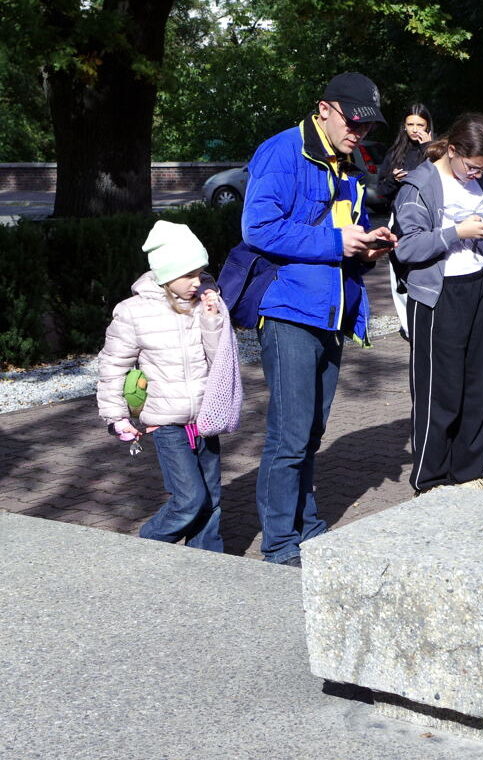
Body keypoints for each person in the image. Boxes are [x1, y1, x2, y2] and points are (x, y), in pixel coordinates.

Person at [242, 72, 395, 567]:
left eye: (367, 127)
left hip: (332, 311)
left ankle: (307, 528)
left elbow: (349, 227)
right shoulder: (282, 151)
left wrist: (368, 244)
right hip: (289, 311)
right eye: (354, 122)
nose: (359, 133)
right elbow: (258, 228)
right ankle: (280, 544)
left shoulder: (346, 161)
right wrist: (336, 243)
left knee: (310, 433)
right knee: (289, 435)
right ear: (324, 109)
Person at [393, 113, 483, 494]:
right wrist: (457, 232)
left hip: (481, 286)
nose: (477, 174)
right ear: (454, 150)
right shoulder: (419, 184)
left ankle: (469, 471)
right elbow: (407, 247)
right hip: (439, 293)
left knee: (478, 385)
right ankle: (430, 478)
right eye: (472, 167)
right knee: (438, 389)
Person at [97, 220, 225, 553]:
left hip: (205, 418)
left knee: (211, 499)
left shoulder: (204, 304)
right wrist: (116, 416)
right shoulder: (134, 313)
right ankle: (146, 549)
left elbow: (220, 358)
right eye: (188, 275)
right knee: (190, 499)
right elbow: (113, 366)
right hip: (166, 423)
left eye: (200, 273)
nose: (197, 281)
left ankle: (209, 562)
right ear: (166, 274)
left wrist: (212, 319)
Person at [377, 103, 434, 339]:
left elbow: (443, 179)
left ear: (428, 126)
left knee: (426, 269)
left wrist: (429, 148)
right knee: (398, 270)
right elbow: (381, 190)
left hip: (428, 218)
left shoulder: (436, 151)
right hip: (399, 217)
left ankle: (427, 320)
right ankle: (408, 325)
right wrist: (394, 180)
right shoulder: (395, 153)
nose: (415, 129)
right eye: (410, 124)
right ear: (404, 126)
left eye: (420, 124)